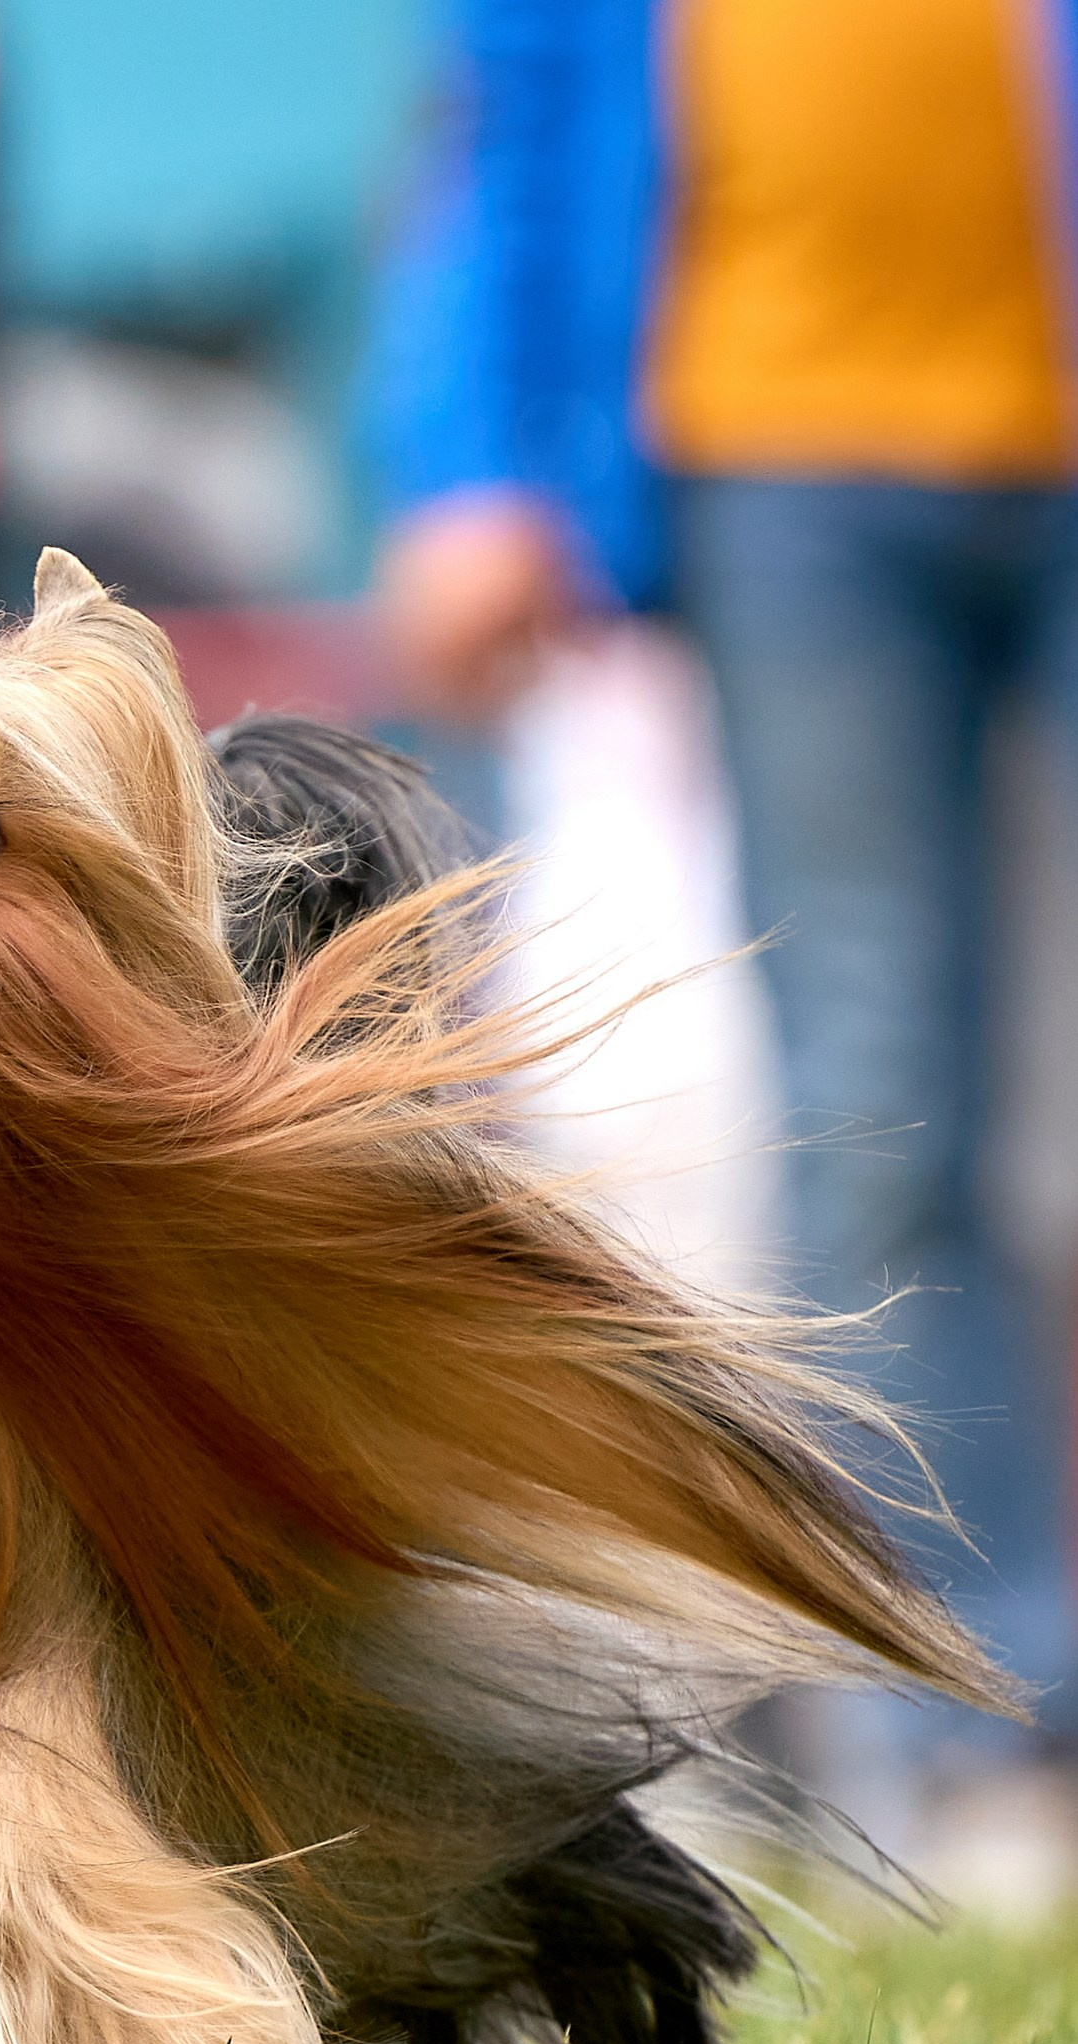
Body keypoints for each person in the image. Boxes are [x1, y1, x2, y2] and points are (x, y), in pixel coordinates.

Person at [367, 0, 1078, 1809]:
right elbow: (502, 104)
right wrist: (468, 459)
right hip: (779, 455)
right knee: (880, 1097)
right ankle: (961, 1730)